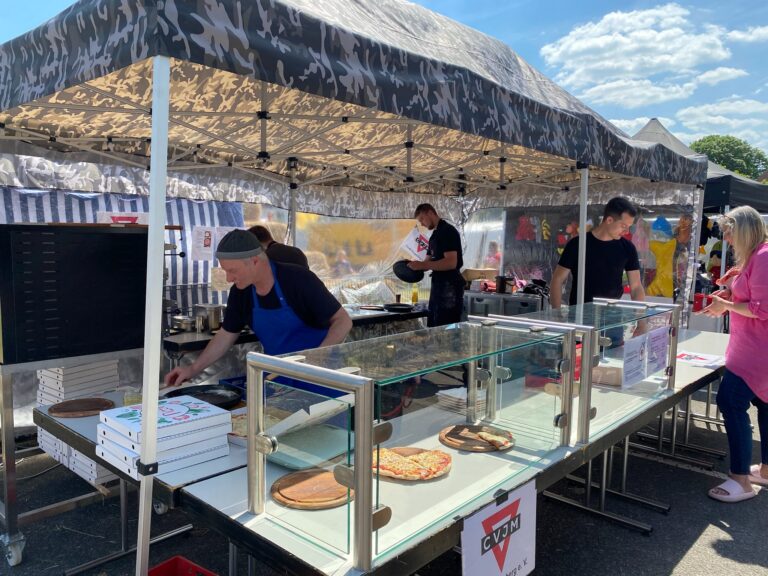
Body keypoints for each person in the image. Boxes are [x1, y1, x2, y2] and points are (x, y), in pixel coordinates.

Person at [165, 229, 352, 387]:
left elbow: (343, 321)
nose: (229, 279)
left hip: (323, 377)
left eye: (233, 270)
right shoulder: (241, 292)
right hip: (280, 379)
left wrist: (318, 356)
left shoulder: (298, 279)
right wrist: (192, 369)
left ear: (255, 261)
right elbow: (225, 335)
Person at [700, 206, 768, 502]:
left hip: (755, 351)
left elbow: (761, 309)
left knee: (730, 400)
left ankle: (740, 480)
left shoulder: (763, 257)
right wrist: (728, 296)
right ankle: (764, 470)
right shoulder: (758, 256)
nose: (726, 238)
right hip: (754, 347)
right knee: (764, 404)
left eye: (728, 231)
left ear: (742, 229)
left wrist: (725, 304)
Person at [550, 197, 645, 308]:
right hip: (580, 314)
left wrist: (641, 321)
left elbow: (636, 287)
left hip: (612, 316)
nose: (627, 231)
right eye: (623, 226)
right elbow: (558, 279)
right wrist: (556, 313)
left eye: (629, 227)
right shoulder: (577, 244)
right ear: (609, 220)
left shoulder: (628, 248)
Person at [407, 203, 464, 327]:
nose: (422, 224)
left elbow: (451, 262)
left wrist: (422, 265)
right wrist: (411, 265)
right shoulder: (434, 236)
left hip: (450, 289)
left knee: (447, 328)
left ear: (430, 213)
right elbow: (427, 262)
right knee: (434, 325)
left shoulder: (448, 231)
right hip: (438, 287)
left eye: (422, 219)